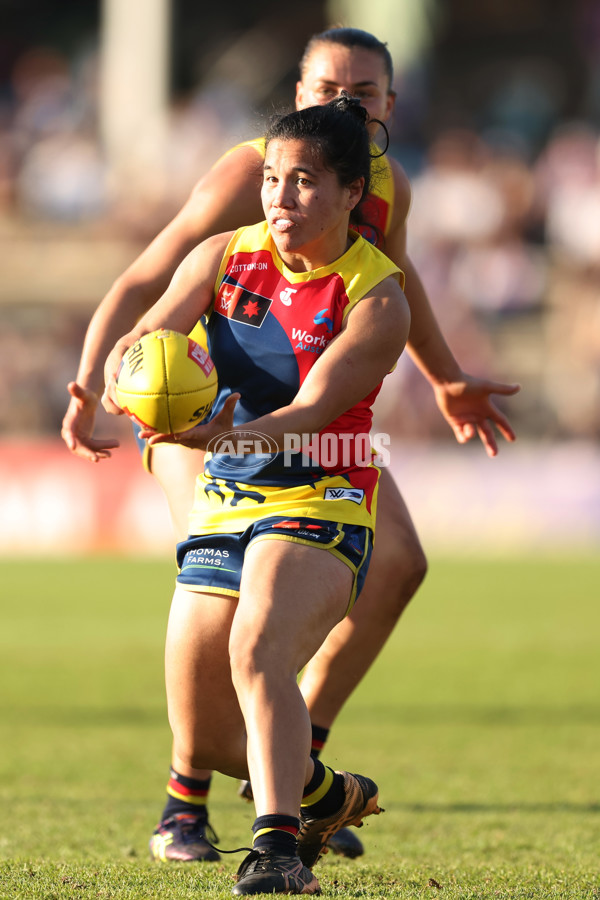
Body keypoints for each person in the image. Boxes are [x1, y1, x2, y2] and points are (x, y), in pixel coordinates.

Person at [61, 27, 520, 863]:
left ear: (387, 107)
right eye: (325, 89)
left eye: (364, 94)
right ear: (296, 92)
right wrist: (96, 374)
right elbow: (151, 277)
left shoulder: (385, 187)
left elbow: (396, 281)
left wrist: (448, 376)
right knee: (218, 595)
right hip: (194, 406)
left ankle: (296, 770)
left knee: (396, 565)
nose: (343, 105)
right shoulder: (253, 171)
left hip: (304, 424)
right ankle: (191, 796)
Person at [102, 95, 410, 895]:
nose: (281, 196)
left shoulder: (379, 297)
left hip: (324, 494)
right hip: (227, 497)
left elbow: (310, 415)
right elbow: (154, 335)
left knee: (257, 645)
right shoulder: (221, 257)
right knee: (201, 736)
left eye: (305, 181)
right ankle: (324, 793)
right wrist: (126, 377)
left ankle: (276, 852)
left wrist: (217, 440)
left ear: (351, 195)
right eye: (273, 177)